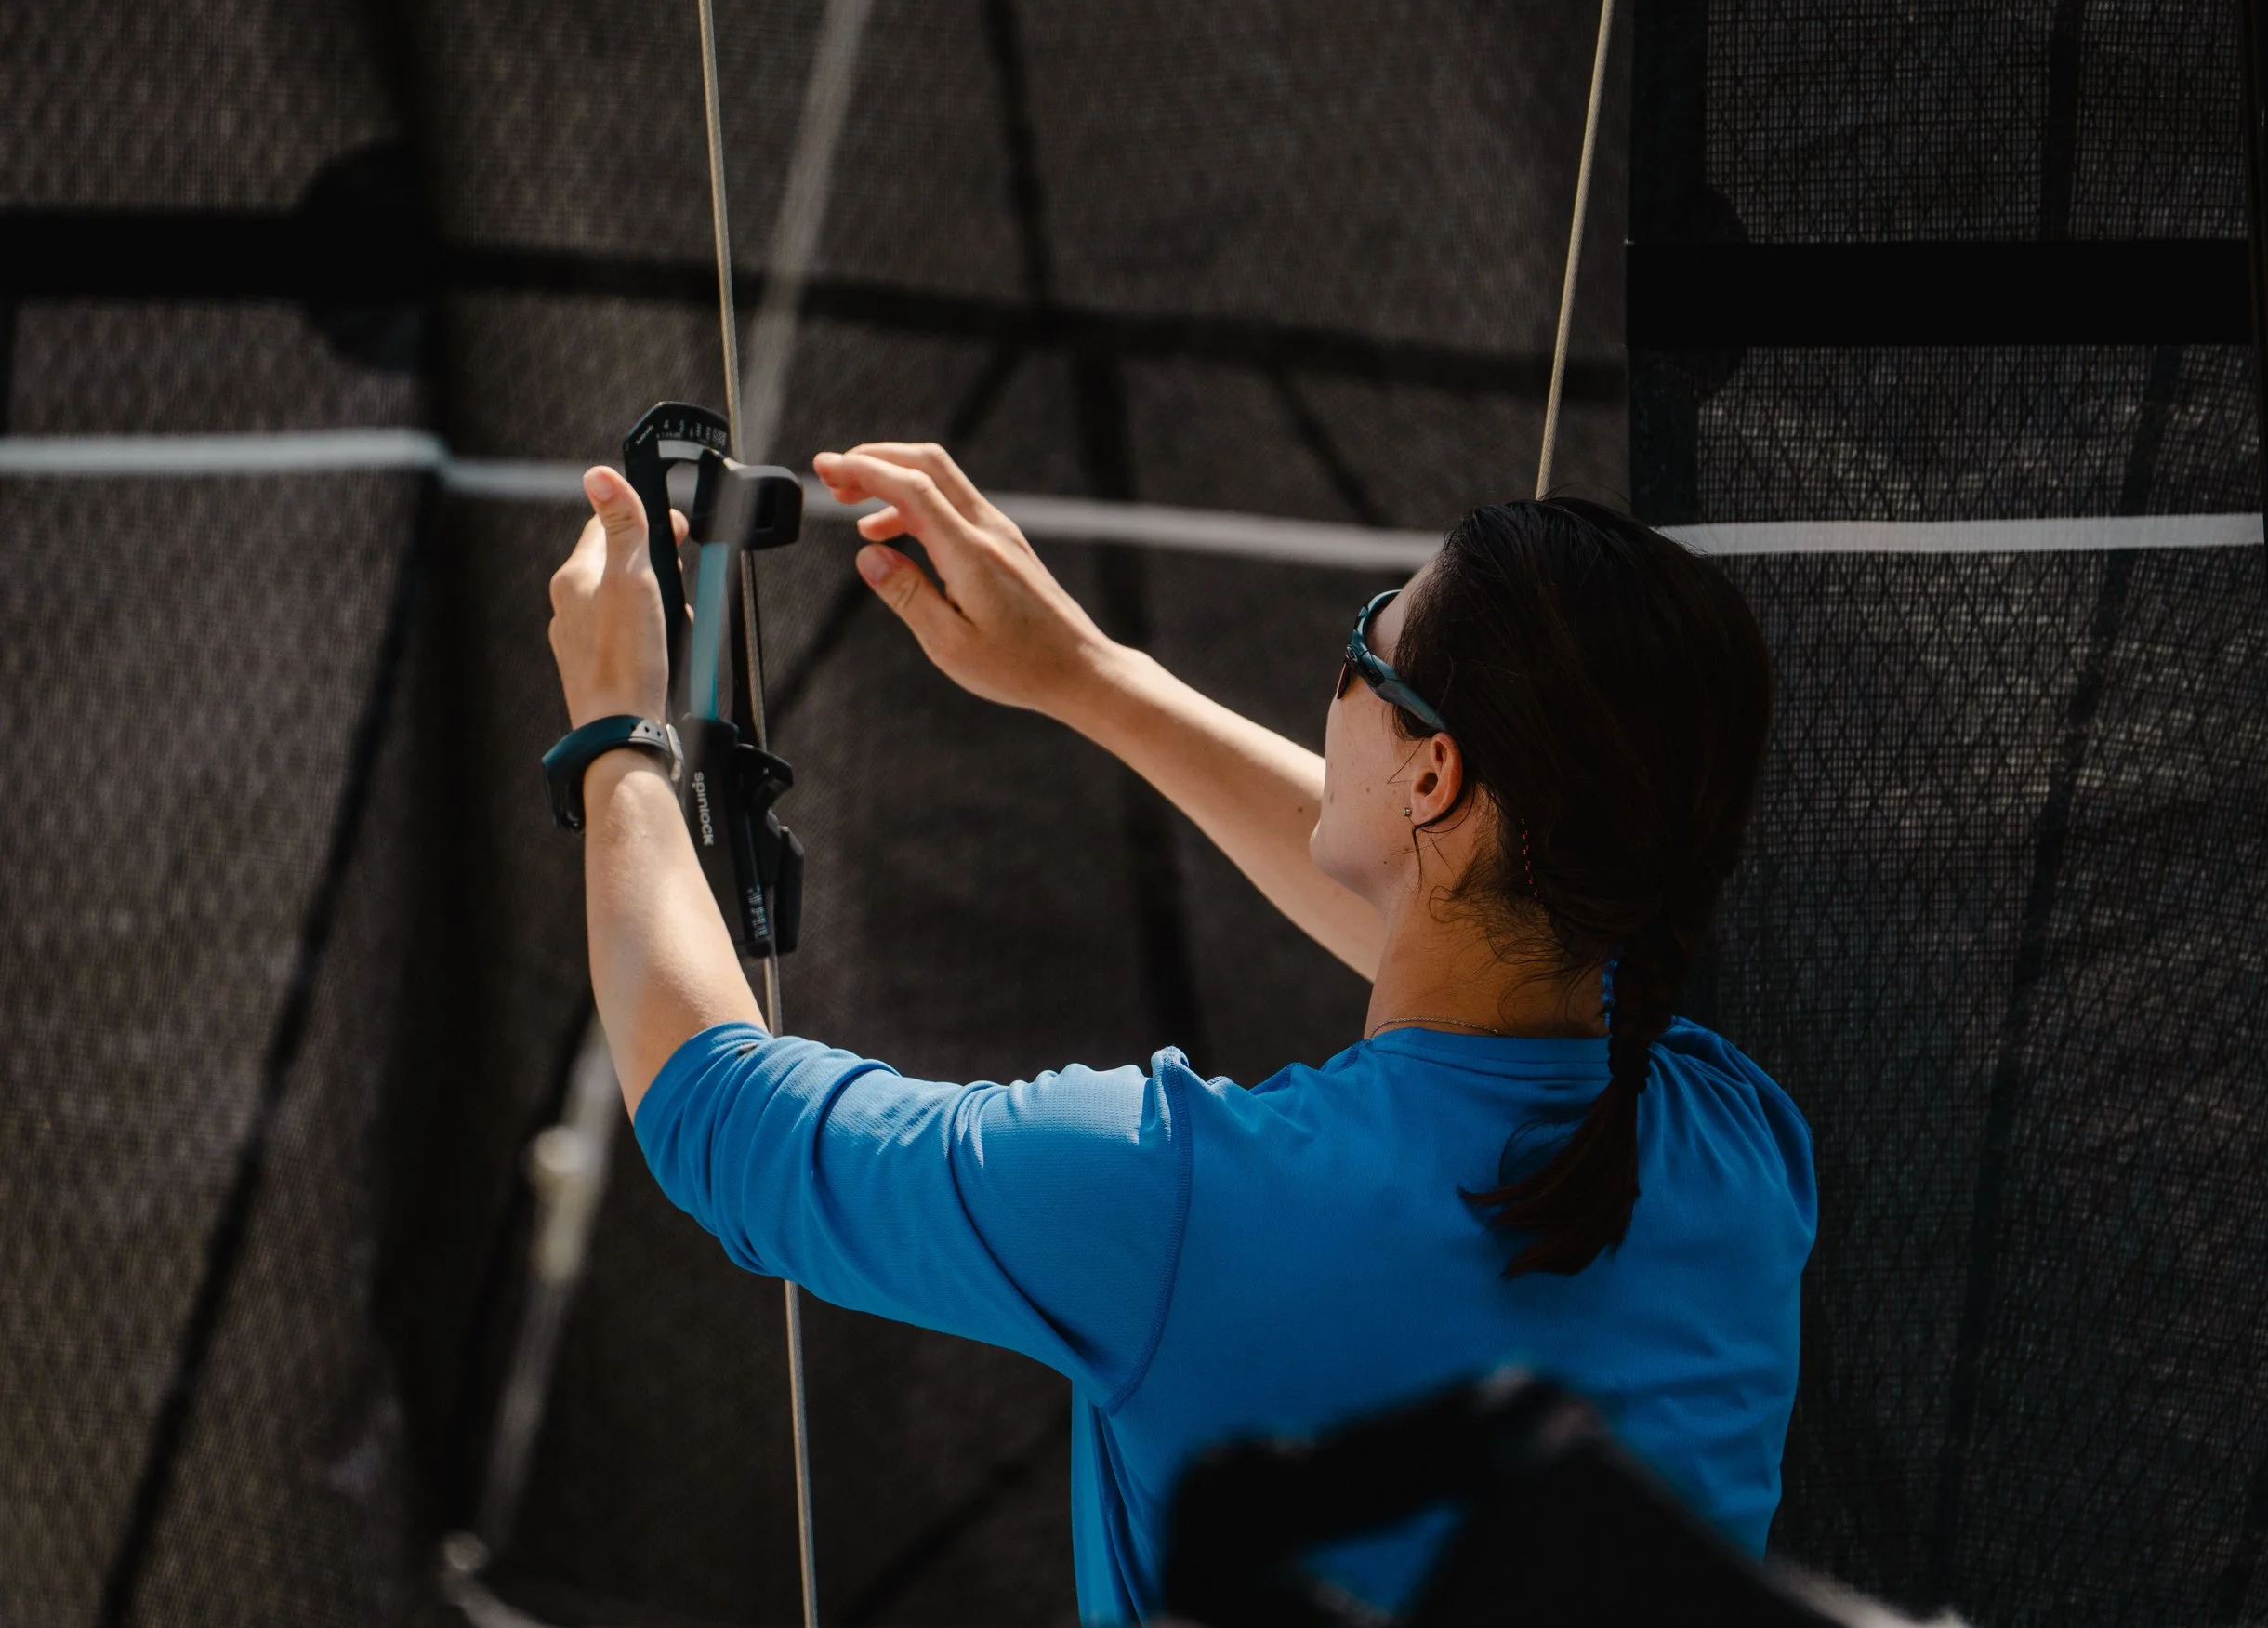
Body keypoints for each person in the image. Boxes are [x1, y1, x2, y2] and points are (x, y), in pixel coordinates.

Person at [546, 442, 1815, 1625]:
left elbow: (719, 1116)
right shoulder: (1747, 1157)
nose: (1345, 672)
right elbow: (1494, 940)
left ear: (1433, 778)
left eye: (1364, 646)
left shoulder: (1165, 1199)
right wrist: (1089, 677)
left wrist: (617, 737)